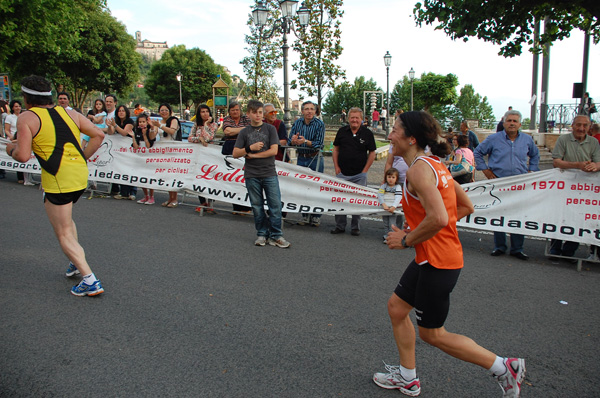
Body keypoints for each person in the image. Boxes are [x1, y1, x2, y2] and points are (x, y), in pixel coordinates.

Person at [373, 110, 526, 398]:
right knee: (396, 308)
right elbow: (464, 207)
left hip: (439, 263)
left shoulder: (419, 169)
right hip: (430, 257)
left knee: (433, 334)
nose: (390, 135)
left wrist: (407, 238)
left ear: (411, 138)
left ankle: (504, 367)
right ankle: (408, 378)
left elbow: (441, 218)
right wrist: (423, 226)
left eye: (394, 130)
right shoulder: (435, 164)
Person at [6, 75, 106, 296]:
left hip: (58, 179)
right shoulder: (69, 112)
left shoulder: (27, 117)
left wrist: (9, 150)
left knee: (63, 233)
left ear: (25, 97)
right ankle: (75, 261)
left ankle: (90, 280)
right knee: (67, 220)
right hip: (79, 175)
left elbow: (22, 156)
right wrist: (82, 157)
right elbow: (99, 135)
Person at [474, 109, 540, 260]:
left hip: (520, 184)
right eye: (509, 121)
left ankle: (517, 248)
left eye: (515, 121)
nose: (512, 124)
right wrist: (485, 170)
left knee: (519, 215)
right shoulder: (493, 139)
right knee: (499, 214)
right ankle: (499, 246)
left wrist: (533, 171)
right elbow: (477, 152)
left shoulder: (527, 140)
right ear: (503, 123)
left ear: (519, 124)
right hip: (499, 182)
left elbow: (535, 155)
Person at [232, 99, 290, 248]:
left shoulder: (270, 129)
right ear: (249, 114)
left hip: (269, 173)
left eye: (260, 113)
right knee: (257, 206)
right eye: (254, 113)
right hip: (252, 174)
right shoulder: (244, 132)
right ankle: (262, 234)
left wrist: (254, 155)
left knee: (275, 205)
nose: (258, 116)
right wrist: (249, 148)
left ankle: (276, 235)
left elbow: (274, 150)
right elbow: (235, 153)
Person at [550, 115, 600, 261]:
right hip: (564, 186)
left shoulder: (594, 142)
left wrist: (594, 166)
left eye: (585, 125)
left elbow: (598, 162)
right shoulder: (563, 140)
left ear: (589, 127)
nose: (581, 128)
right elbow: (556, 162)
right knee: (560, 216)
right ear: (572, 126)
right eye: (578, 125)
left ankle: (569, 251)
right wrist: (577, 165)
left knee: (579, 217)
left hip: (585, 189)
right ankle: (555, 249)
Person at [330, 107, 376, 236]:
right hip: (342, 173)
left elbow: (372, 153)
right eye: (352, 117)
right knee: (339, 200)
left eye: (357, 118)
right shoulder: (342, 131)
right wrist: (336, 167)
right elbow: (336, 149)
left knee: (358, 201)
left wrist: (365, 170)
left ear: (361, 119)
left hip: (359, 174)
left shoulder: (367, 133)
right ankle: (340, 225)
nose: (354, 120)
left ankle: (355, 227)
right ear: (348, 119)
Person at [289, 100, 325, 226]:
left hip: (315, 158)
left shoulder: (319, 124)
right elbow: (290, 140)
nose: (309, 111)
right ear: (302, 111)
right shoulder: (298, 123)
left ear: (315, 111)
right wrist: (294, 141)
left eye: (312, 109)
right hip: (301, 157)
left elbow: (319, 144)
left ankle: (316, 216)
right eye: (307, 109)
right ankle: (305, 215)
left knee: (316, 187)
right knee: (302, 187)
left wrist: (305, 141)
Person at [222, 101, 251, 214]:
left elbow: (251, 129)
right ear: (229, 111)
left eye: (237, 109)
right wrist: (243, 129)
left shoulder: (246, 118)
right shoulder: (227, 119)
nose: (235, 112)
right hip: (230, 151)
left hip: (244, 150)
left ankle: (246, 207)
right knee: (233, 179)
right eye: (233, 110)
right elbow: (227, 131)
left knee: (245, 180)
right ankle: (236, 207)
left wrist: (236, 130)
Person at [188, 104, 218, 212]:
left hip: (210, 154)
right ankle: (202, 202)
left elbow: (208, 138)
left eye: (207, 111)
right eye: (202, 112)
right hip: (198, 155)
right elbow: (190, 138)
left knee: (210, 178)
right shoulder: (196, 124)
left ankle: (210, 203)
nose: (205, 114)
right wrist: (199, 138)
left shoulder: (214, 124)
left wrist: (205, 125)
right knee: (199, 178)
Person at [150, 103, 181, 208]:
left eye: (166, 110)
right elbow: (153, 135)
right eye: (162, 110)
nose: (164, 112)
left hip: (173, 150)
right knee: (166, 175)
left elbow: (172, 131)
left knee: (173, 175)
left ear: (170, 111)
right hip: (162, 151)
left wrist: (160, 126)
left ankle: (175, 198)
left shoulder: (173, 120)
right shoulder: (157, 122)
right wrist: (151, 127)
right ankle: (170, 198)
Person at [107, 105, 136, 200]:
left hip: (129, 149)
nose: (121, 112)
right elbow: (111, 133)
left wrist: (115, 125)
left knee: (129, 170)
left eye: (123, 111)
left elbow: (124, 133)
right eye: (119, 111)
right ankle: (123, 191)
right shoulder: (116, 121)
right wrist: (110, 126)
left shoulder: (129, 121)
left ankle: (131, 192)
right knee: (120, 169)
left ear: (126, 112)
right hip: (119, 150)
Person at [4, 100, 34, 185]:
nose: (18, 108)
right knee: (19, 155)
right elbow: (6, 129)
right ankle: (20, 177)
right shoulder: (10, 117)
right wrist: (12, 138)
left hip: (23, 138)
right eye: (16, 106)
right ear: (12, 108)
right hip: (14, 138)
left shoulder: (23, 116)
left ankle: (29, 177)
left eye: (19, 106)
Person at [132, 114, 157, 205]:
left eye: (143, 122)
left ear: (147, 122)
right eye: (140, 122)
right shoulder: (136, 131)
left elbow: (148, 145)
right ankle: (145, 195)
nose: (142, 124)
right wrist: (133, 137)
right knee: (142, 177)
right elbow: (136, 147)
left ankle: (151, 197)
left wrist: (144, 135)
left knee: (150, 177)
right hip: (141, 158)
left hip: (150, 158)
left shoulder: (150, 131)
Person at [378, 168, 403, 244]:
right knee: (385, 222)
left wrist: (393, 207)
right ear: (386, 177)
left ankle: (392, 237)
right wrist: (384, 204)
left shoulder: (398, 187)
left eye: (393, 177)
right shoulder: (383, 186)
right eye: (389, 177)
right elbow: (380, 195)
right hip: (385, 208)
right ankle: (387, 235)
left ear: (396, 178)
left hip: (393, 209)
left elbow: (398, 197)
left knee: (392, 224)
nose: (391, 179)